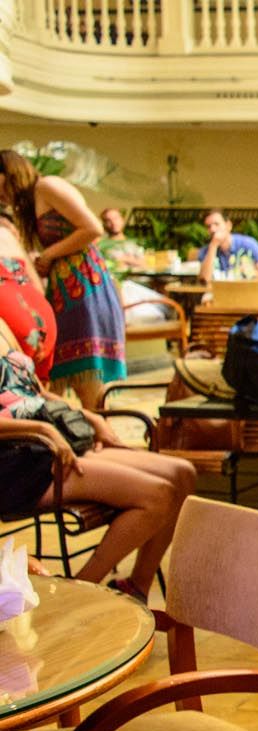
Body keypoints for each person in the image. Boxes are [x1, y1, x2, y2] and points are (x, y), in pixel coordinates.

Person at [0, 310, 194, 600]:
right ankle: (78, 591)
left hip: (55, 440)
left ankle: (136, 586)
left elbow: (35, 392)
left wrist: (91, 417)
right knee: (158, 495)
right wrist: (43, 429)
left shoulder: (3, 323)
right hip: (20, 459)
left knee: (183, 473)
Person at [0, 150, 125, 411]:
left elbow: (93, 228)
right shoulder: (30, 203)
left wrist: (48, 255)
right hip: (64, 288)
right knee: (60, 373)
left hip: (86, 286)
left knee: (89, 374)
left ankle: (100, 433)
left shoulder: (47, 186)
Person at [0, 211, 56, 375]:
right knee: (32, 395)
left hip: (10, 324)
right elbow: (38, 287)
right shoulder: (6, 233)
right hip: (43, 320)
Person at [198, 208, 258, 283]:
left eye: (216, 224)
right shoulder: (206, 251)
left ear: (228, 225)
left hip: (245, 291)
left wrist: (251, 272)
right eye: (208, 226)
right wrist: (213, 247)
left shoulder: (248, 244)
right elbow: (204, 281)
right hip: (217, 293)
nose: (212, 229)